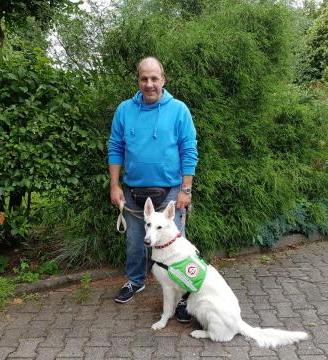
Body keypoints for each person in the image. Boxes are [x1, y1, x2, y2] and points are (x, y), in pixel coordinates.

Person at [108, 57, 198, 322]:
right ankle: (135, 281)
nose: (149, 84)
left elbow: (188, 150)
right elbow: (115, 147)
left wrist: (186, 189)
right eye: (144, 78)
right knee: (135, 243)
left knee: (175, 246)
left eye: (154, 78)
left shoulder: (179, 110)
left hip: (170, 191)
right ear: (138, 81)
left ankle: (183, 296)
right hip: (134, 192)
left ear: (163, 80)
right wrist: (114, 185)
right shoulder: (124, 110)